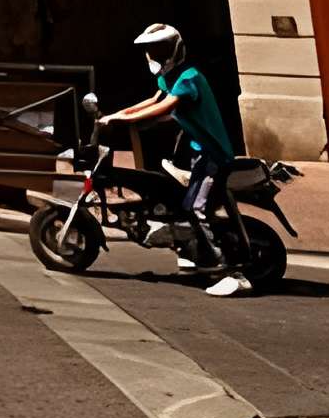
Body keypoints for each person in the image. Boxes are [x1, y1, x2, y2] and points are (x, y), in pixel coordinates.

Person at [104, 23, 251, 297]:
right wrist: (115, 115)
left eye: (158, 48)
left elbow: (165, 106)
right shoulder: (170, 77)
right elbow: (152, 100)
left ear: (175, 47)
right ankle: (195, 254)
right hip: (198, 153)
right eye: (150, 49)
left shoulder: (188, 78)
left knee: (197, 208)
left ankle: (232, 271)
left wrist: (121, 119)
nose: (153, 53)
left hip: (213, 154)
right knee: (179, 202)